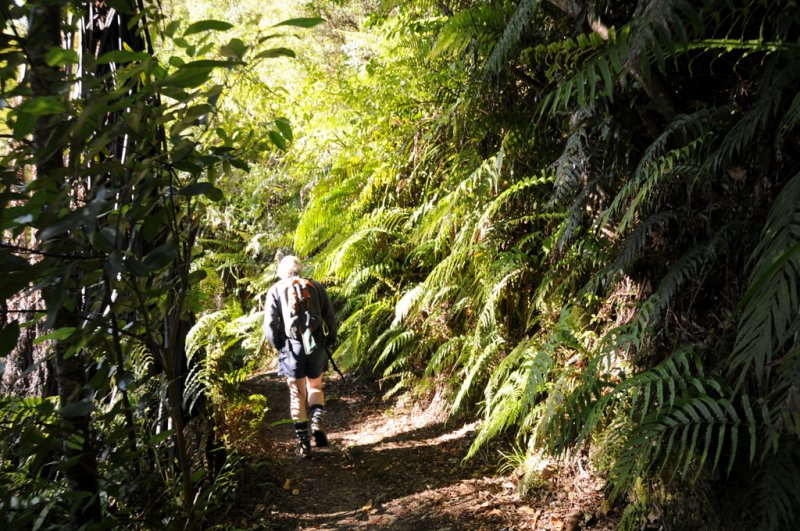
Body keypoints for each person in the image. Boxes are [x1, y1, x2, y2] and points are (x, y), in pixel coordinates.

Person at [263, 255, 337, 458]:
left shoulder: (276, 290)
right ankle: (316, 421)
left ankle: (304, 444)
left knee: (297, 394)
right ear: (299, 269)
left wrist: (279, 345)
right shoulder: (316, 286)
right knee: (315, 386)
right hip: (315, 344)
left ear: (281, 272)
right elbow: (330, 318)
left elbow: (270, 325)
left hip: (292, 347)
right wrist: (329, 340)